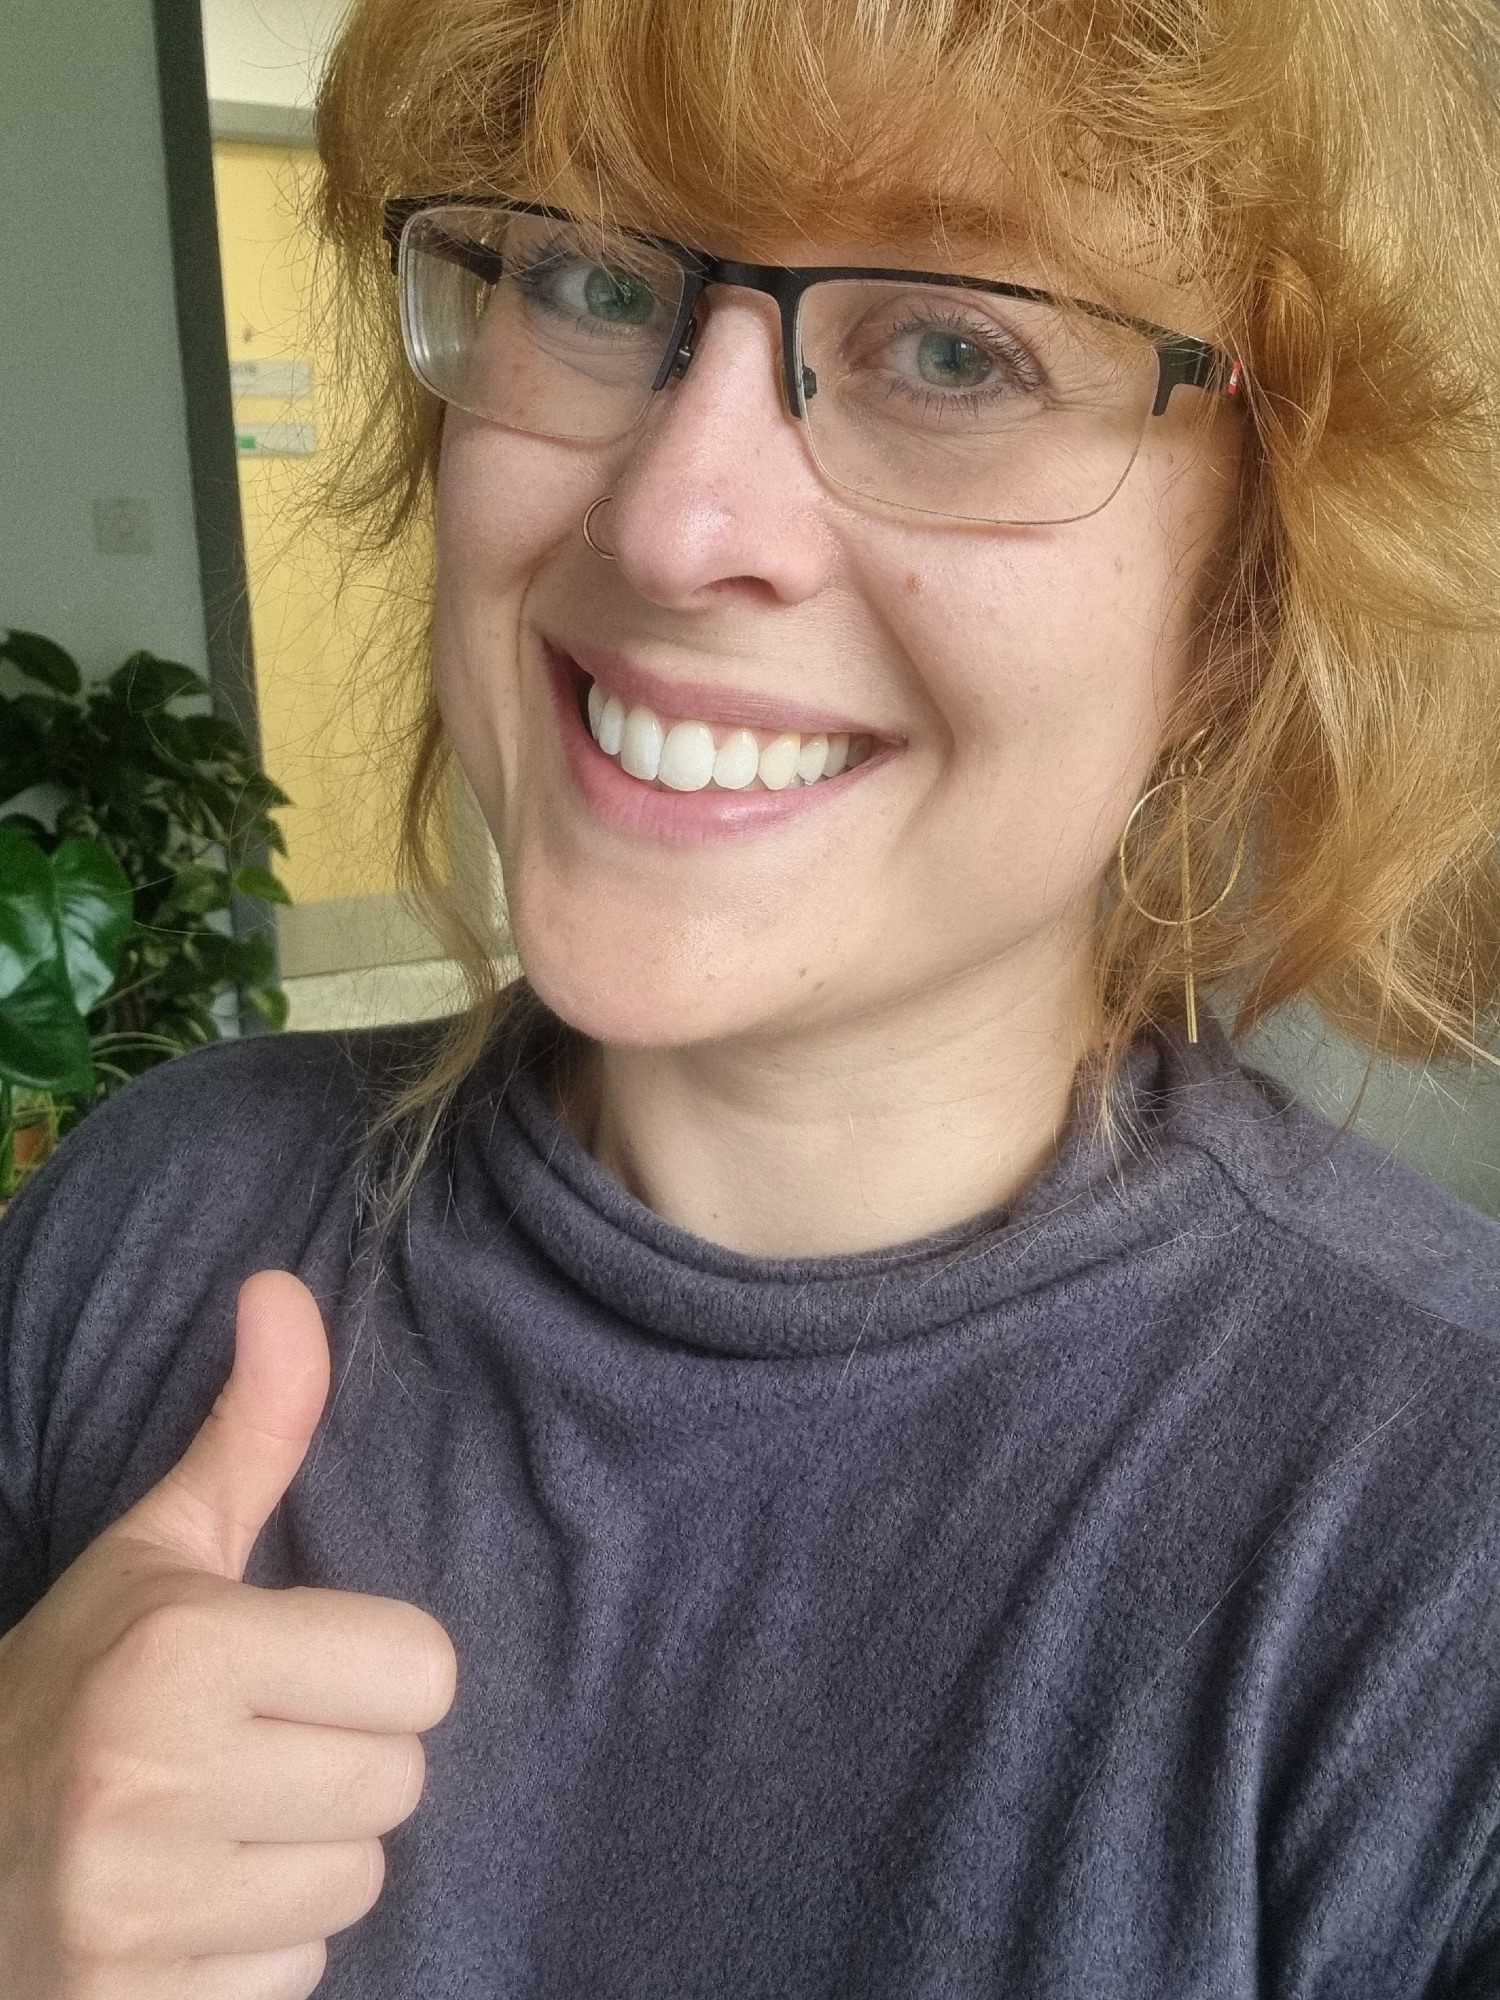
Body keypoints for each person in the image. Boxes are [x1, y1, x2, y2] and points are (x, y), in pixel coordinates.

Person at [3, 0, 1500, 1992]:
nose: (670, 522)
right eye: (592, 281)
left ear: (1247, 597)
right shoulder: (137, 1229)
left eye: (955, 350)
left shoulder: (1443, 1537)